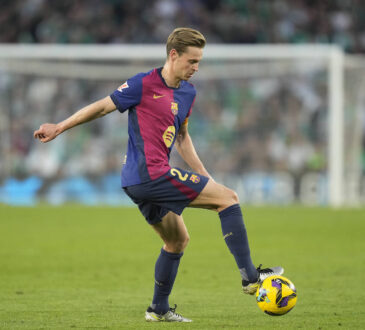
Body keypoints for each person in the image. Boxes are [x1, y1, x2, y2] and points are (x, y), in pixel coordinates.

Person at [34, 27, 283, 322]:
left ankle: (158, 309)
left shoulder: (188, 93)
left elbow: (182, 138)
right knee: (229, 199)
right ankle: (250, 278)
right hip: (150, 175)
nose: (196, 68)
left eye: (199, 62)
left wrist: (206, 176)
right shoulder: (143, 84)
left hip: (139, 182)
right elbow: (102, 107)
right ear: (173, 55)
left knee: (177, 240)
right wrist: (59, 127)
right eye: (192, 61)